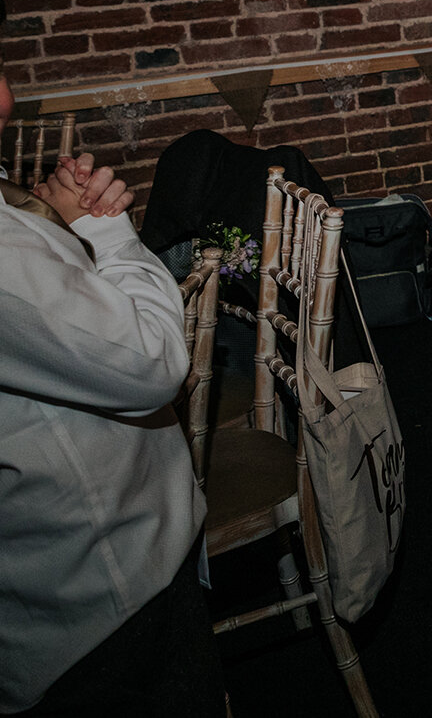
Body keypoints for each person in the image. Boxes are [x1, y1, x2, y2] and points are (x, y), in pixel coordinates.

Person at [0, 56, 226, 717]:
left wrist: (55, 221)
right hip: (102, 598)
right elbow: (155, 360)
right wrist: (108, 233)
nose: (8, 99)